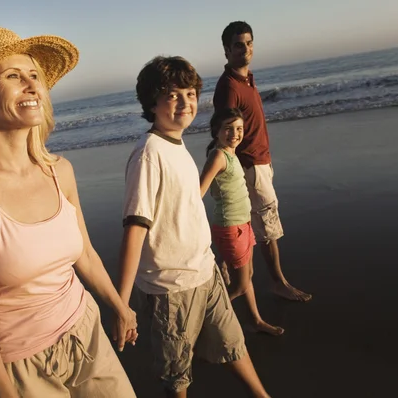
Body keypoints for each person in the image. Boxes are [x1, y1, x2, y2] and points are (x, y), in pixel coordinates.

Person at [0, 27, 137, 398]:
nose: (32, 86)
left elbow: (83, 251)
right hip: (23, 366)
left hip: (86, 333)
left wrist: (119, 305)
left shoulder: (58, 169)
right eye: (13, 76)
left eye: (34, 75)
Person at [115, 56, 270, 398]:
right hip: (171, 287)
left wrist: (215, 260)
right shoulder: (148, 154)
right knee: (177, 375)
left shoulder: (177, 144)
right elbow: (135, 229)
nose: (185, 102)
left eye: (190, 93)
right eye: (172, 95)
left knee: (232, 342)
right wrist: (121, 305)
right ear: (151, 103)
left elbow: (186, 208)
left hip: (204, 270)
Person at [213, 21, 312, 302]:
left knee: (250, 223)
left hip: (261, 162)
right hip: (249, 165)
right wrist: (231, 170)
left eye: (249, 43)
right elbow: (224, 132)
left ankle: (225, 270)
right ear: (226, 50)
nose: (245, 49)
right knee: (268, 228)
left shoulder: (246, 80)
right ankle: (278, 282)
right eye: (238, 45)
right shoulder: (229, 87)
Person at [200, 108, 285, 336]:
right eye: (228, 128)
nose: (234, 133)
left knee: (247, 278)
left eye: (239, 128)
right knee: (239, 284)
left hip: (243, 225)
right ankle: (205, 319)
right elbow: (199, 191)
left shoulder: (231, 154)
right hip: (230, 227)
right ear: (216, 131)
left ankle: (254, 321)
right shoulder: (218, 156)